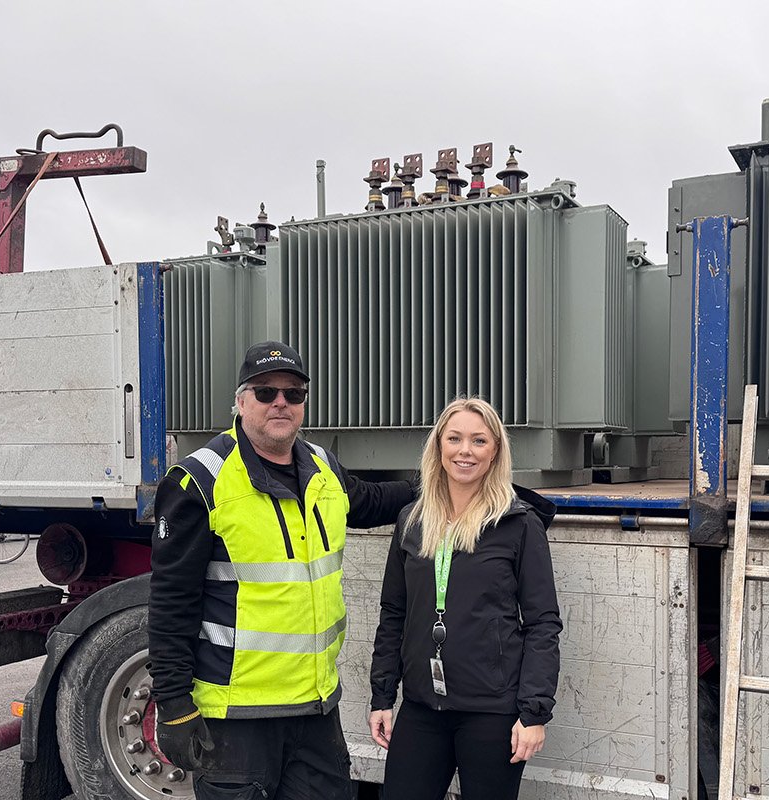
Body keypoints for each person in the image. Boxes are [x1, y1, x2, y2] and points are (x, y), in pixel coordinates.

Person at [148, 340, 416, 799]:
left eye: (293, 393)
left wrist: (434, 484)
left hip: (314, 710)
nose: (280, 402)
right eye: (265, 391)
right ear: (240, 401)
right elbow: (171, 603)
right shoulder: (201, 480)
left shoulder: (321, 466)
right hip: (237, 719)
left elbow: (370, 501)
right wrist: (173, 704)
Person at [368, 397, 562, 800]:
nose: (465, 451)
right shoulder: (413, 521)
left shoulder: (518, 523)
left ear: (495, 452)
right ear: (439, 446)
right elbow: (394, 613)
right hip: (422, 707)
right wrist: (383, 695)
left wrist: (534, 713)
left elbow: (543, 623)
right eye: (454, 439)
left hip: (491, 713)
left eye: (479, 441)